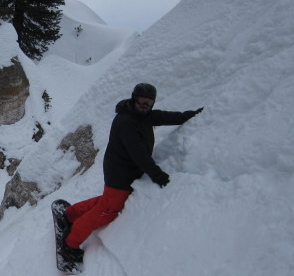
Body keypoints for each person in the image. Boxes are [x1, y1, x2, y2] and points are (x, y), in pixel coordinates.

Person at [62, 83, 203, 262]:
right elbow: (139, 155)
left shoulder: (143, 115)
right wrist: (157, 175)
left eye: (149, 103)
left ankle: (71, 214)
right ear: (134, 98)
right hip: (120, 174)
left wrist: (189, 116)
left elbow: (163, 116)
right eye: (142, 101)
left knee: (106, 202)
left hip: (123, 170)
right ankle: (70, 243)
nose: (145, 106)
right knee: (107, 211)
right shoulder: (126, 122)